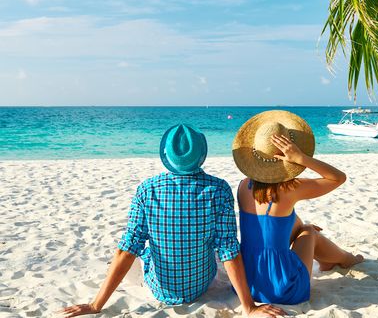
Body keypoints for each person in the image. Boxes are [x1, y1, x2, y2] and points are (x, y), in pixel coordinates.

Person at [60, 124, 285, 317]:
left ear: (166, 156)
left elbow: (127, 250)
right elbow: (228, 249)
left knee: (135, 248)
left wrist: (95, 305)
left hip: (159, 290)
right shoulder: (219, 189)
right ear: (201, 155)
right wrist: (248, 307)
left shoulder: (147, 190)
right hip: (200, 286)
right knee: (214, 247)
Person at [232, 110, 364, 305]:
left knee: (297, 225)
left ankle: (333, 259)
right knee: (309, 232)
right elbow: (338, 178)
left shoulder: (244, 186)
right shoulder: (290, 188)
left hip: (248, 284)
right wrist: (302, 158)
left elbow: (276, 224)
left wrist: (299, 227)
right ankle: (346, 260)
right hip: (284, 288)